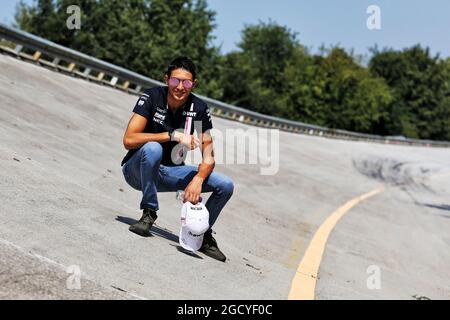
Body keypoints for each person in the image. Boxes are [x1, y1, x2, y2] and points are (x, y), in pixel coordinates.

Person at [121, 57, 233, 262]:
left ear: (194, 84)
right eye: (175, 81)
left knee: (225, 185)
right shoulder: (152, 97)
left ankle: (201, 234)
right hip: (136, 170)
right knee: (153, 149)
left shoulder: (198, 108)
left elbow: (209, 155)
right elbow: (129, 139)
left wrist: (198, 179)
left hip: (168, 173)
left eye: (187, 83)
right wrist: (172, 135)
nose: (180, 87)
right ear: (167, 80)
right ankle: (149, 212)